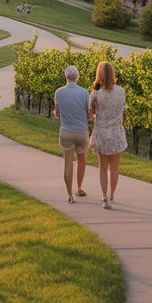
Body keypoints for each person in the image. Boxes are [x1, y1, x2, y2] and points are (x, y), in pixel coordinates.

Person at [89, 61, 127, 209]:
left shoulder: (96, 93)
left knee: (103, 167)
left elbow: (91, 111)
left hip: (102, 133)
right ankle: (112, 195)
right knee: (115, 167)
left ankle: (104, 197)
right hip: (116, 132)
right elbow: (122, 109)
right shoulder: (121, 91)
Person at [54, 65, 90, 204]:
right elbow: (88, 114)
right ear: (77, 77)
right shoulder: (84, 93)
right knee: (81, 161)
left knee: (68, 164)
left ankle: (70, 195)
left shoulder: (59, 93)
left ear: (66, 77)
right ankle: (79, 188)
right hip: (82, 132)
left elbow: (57, 113)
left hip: (66, 131)